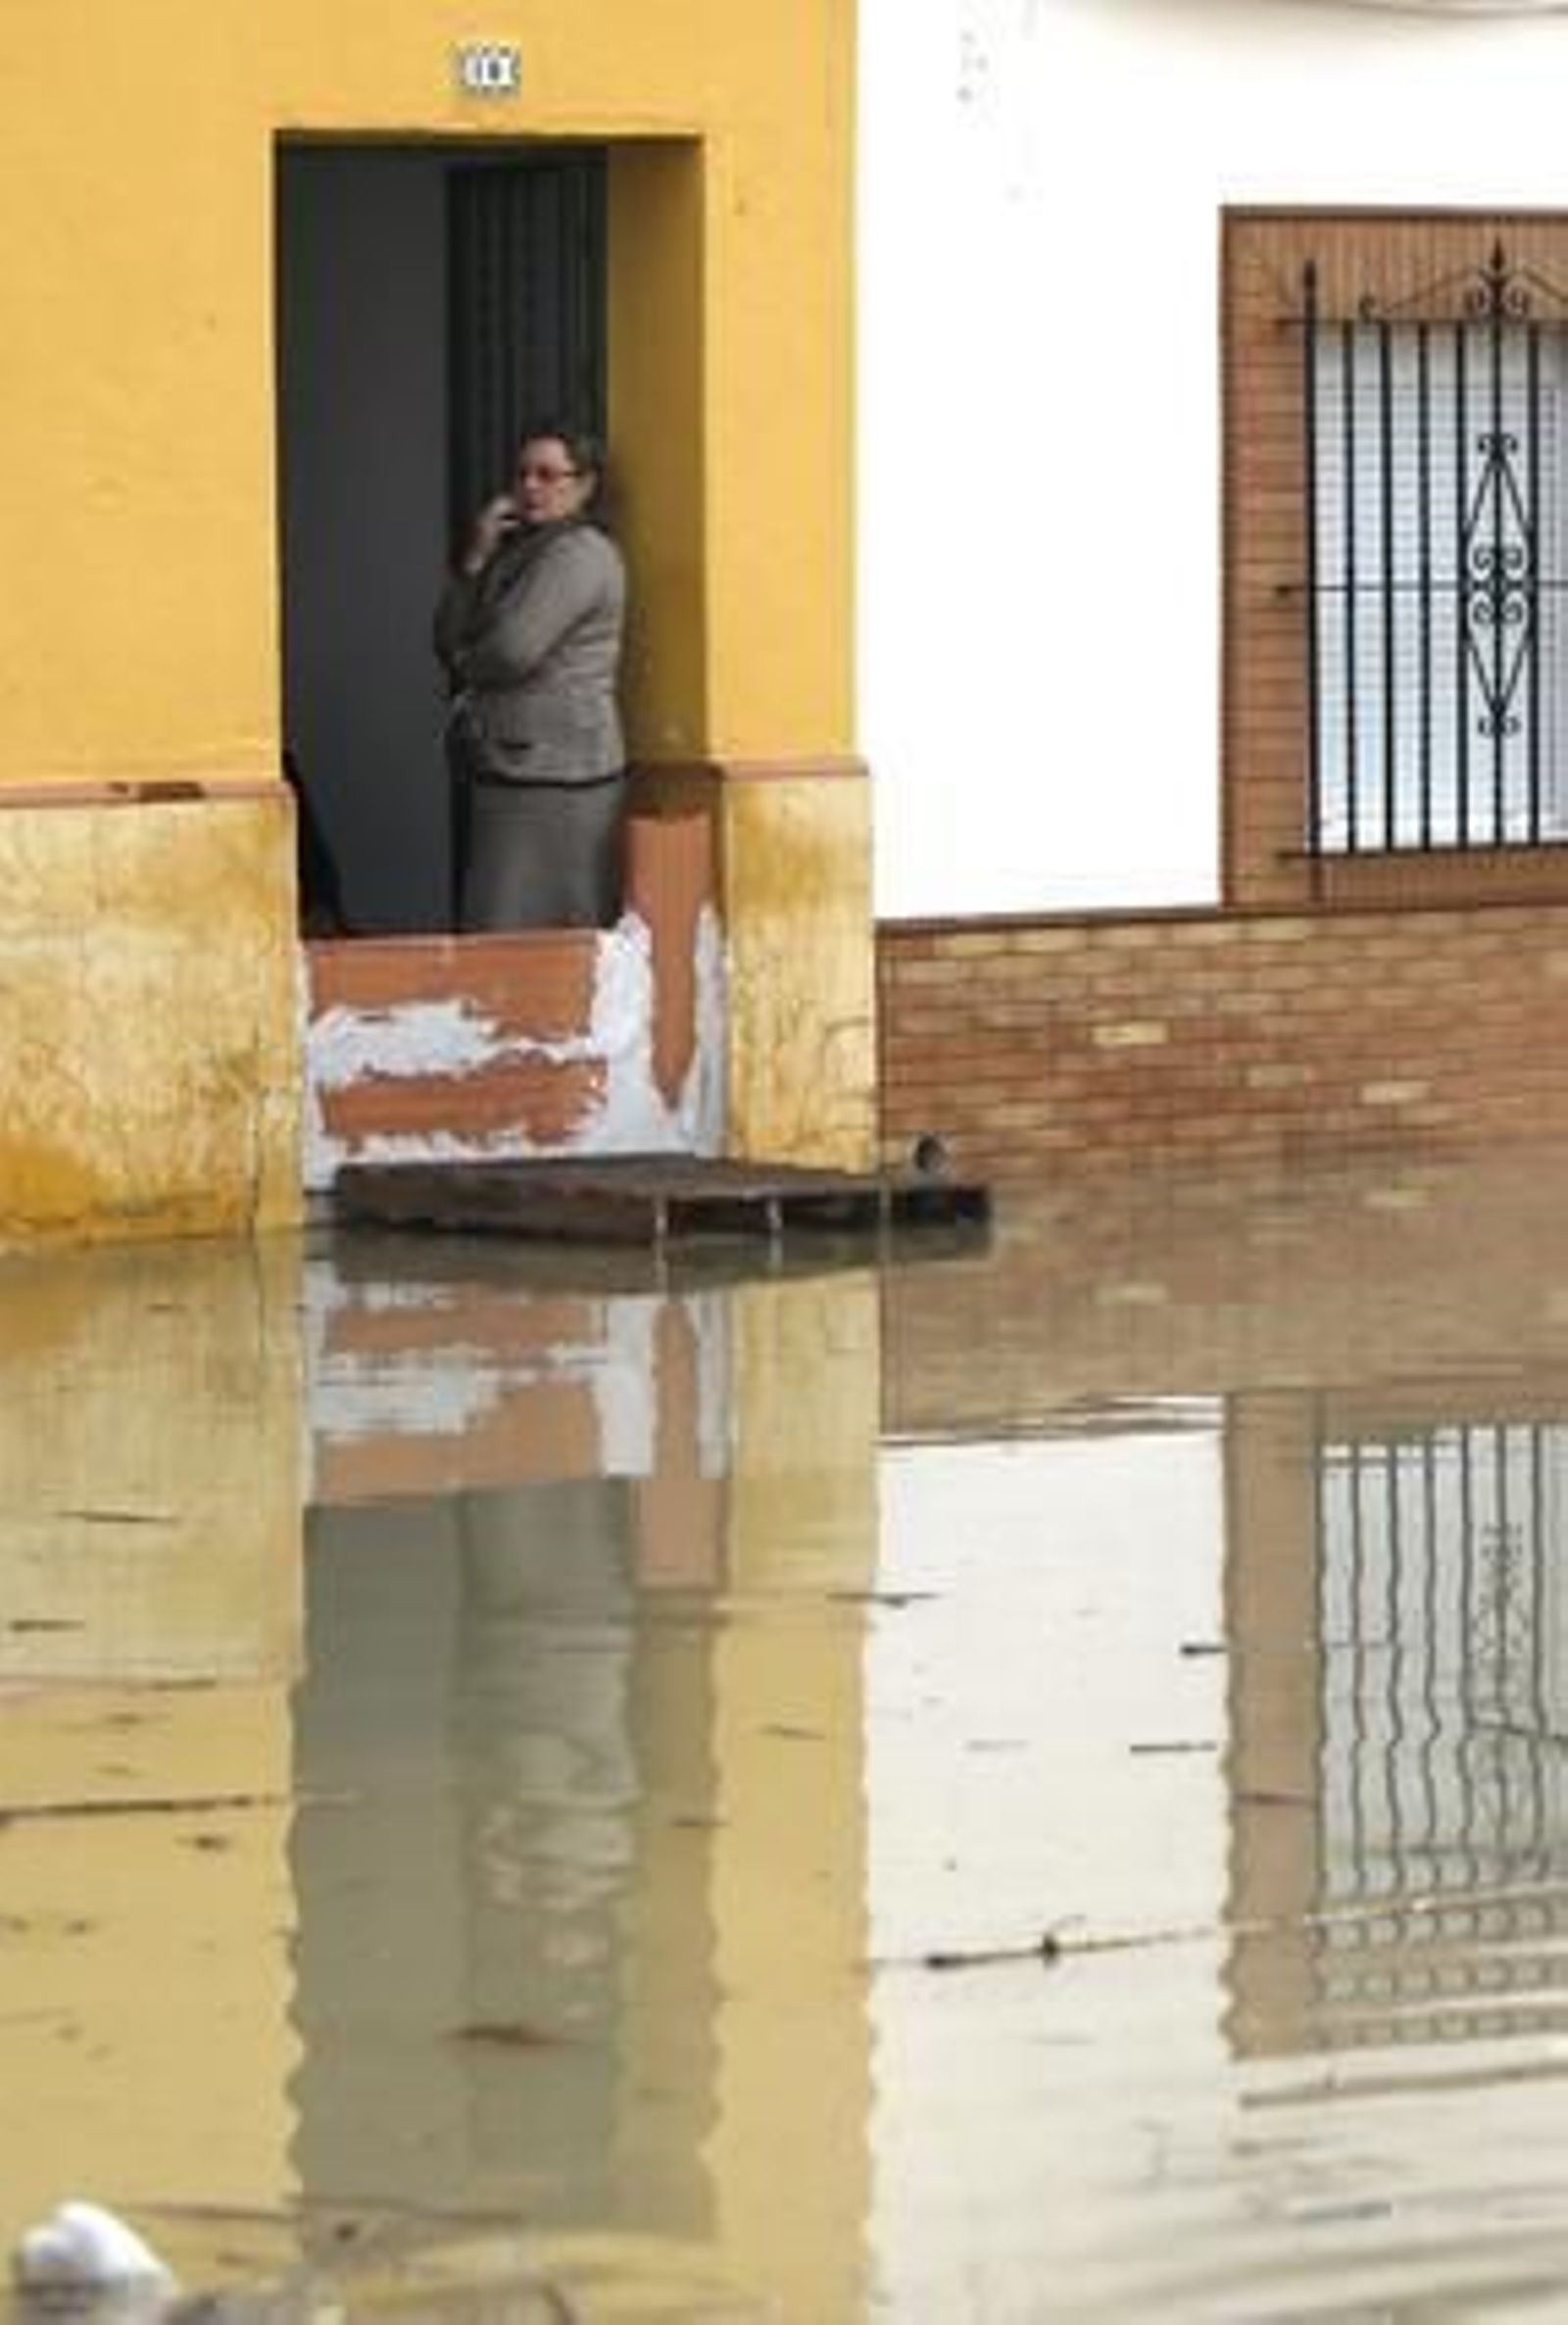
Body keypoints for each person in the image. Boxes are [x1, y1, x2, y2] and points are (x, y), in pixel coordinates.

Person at [434, 423, 627, 930]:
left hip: (559, 774)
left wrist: (463, 663)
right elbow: (447, 633)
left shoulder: (579, 554)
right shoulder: (518, 552)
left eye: (547, 475)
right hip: (515, 766)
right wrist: (477, 557)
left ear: (585, 485)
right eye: (522, 474)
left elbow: (513, 650)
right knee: (500, 921)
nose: (529, 487)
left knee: (528, 925)